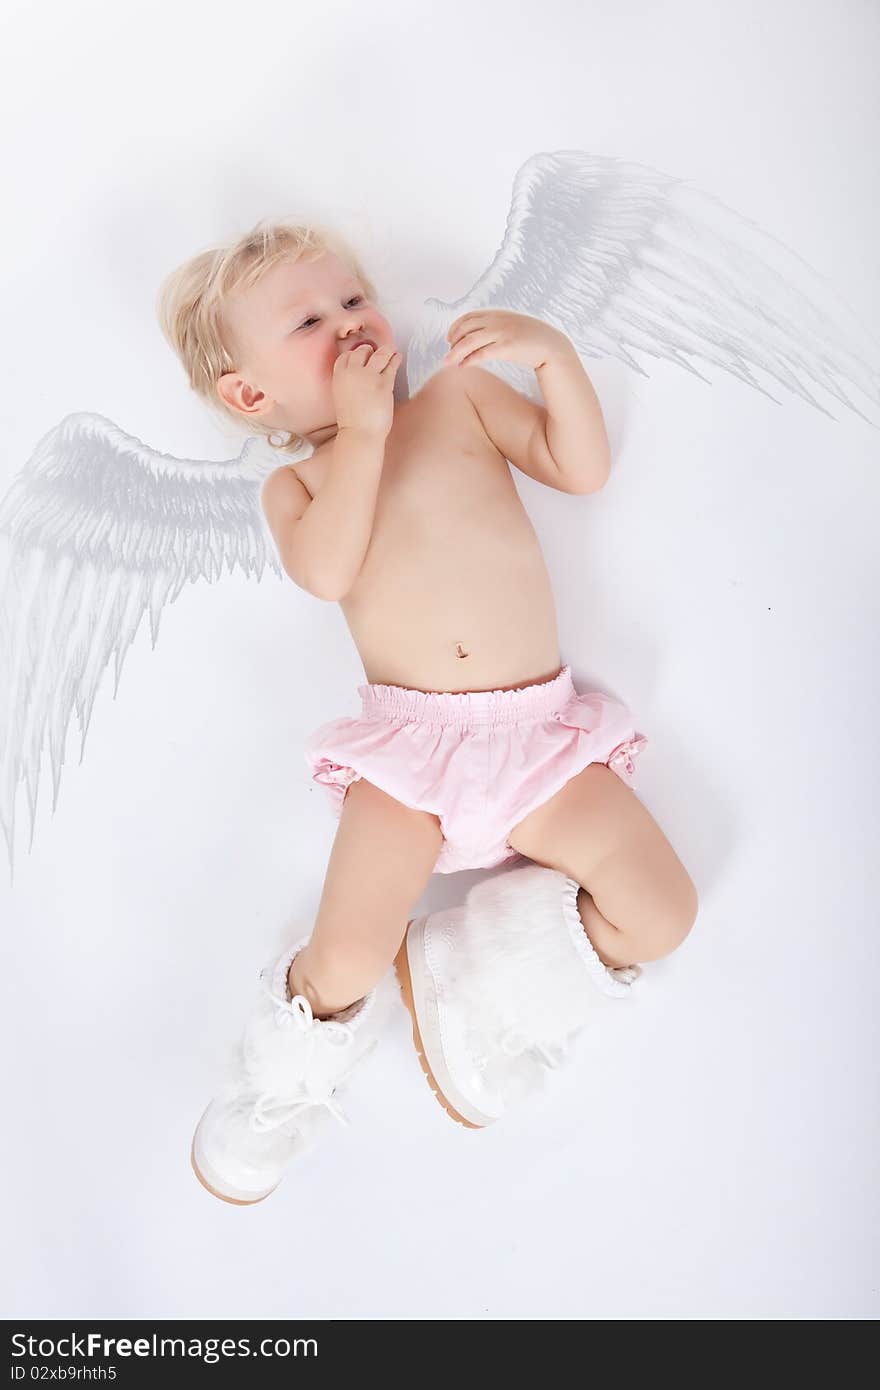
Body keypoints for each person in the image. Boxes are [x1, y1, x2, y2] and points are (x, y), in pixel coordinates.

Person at [157, 220, 698, 1204]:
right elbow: (327, 570)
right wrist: (361, 432)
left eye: (355, 300)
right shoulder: (301, 485)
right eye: (310, 322)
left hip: (538, 739)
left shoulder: (460, 400)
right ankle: (282, 1080)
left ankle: (489, 975)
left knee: (662, 911)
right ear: (251, 394)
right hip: (410, 755)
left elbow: (578, 466)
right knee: (352, 950)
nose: (350, 324)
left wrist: (553, 357)